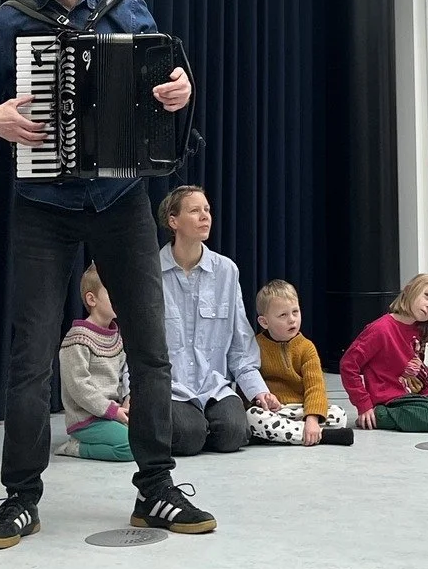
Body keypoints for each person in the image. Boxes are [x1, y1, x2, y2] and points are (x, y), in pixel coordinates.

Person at [0, 0, 207, 547]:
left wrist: (179, 92)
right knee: (29, 356)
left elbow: (164, 87)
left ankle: (155, 488)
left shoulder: (127, 10)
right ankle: (20, 497)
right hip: (41, 203)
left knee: (150, 349)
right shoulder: (9, 21)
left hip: (120, 199)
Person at [157, 187, 272, 456]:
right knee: (188, 436)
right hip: (170, 387)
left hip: (214, 386)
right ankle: (194, 427)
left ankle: (202, 426)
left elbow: (241, 344)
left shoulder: (227, 270)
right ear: (173, 221)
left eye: (207, 210)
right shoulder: (151, 271)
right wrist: (132, 391)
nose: (205, 216)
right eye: (195, 211)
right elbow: (136, 342)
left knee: (233, 434)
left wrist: (258, 391)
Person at [340, 274, 428, 433]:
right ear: (410, 290)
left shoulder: (418, 330)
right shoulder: (381, 329)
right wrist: (363, 404)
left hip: (415, 396)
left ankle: (426, 415)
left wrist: (423, 382)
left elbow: (417, 372)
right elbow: (348, 365)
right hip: (390, 400)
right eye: (427, 296)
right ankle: (380, 415)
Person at [249, 280, 353, 446]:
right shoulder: (255, 346)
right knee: (252, 416)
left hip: (301, 410)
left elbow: (315, 387)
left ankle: (283, 433)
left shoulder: (307, 347)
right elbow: (248, 386)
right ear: (264, 322)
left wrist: (312, 418)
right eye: (283, 315)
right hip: (276, 412)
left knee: (339, 414)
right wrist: (262, 401)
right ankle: (322, 436)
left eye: (295, 312)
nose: (292, 320)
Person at [55, 265, 132, 462]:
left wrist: (127, 399)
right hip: (87, 420)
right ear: (92, 299)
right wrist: (111, 410)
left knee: (148, 440)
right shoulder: (77, 339)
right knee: (130, 448)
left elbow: (123, 374)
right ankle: (76, 448)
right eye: (111, 292)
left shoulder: (116, 336)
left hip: (112, 413)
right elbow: (79, 387)